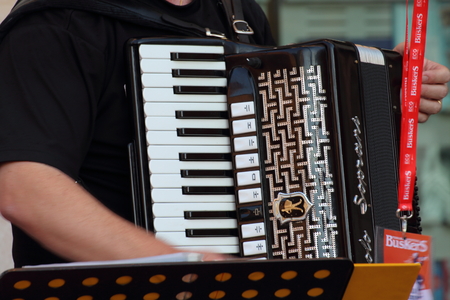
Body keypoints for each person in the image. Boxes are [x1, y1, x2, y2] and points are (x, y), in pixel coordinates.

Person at [0, 0, 448, 268]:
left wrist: (380, 89)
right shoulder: (57, 24)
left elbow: (277, 153)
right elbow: (24, 188)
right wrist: (191, 267)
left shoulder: (237, 14)